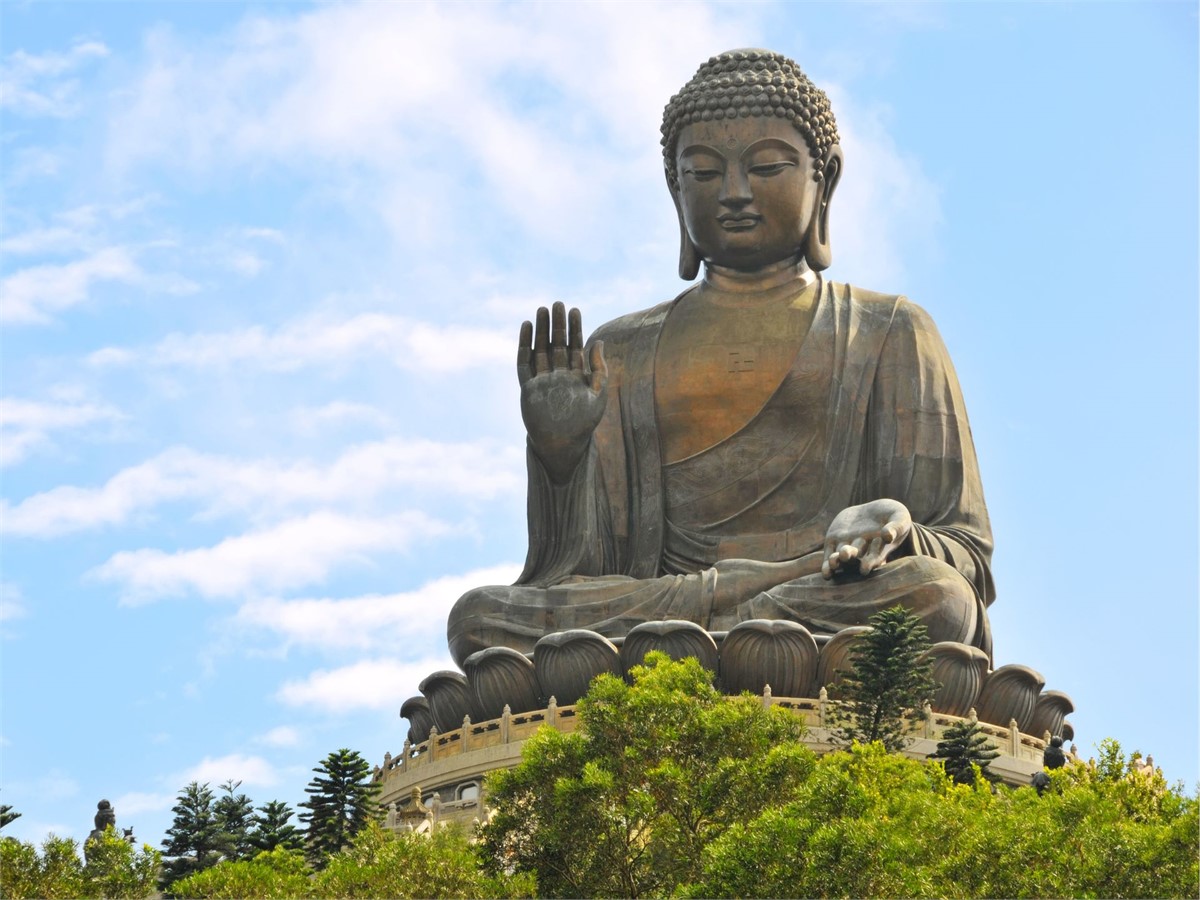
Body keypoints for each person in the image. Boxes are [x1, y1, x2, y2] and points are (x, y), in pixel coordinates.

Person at [448, 49, 993, 669]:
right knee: (478, 619)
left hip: (818, 592)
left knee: (935, 597)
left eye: (766, 167)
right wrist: (561, 458)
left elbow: (963, 555)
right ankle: (722, 641)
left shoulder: (890, 329)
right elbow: (572, 575)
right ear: (674, 188)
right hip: (663, 607)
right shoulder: (621, 349)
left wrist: (896, 526)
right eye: (704, 174)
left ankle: (702, 647)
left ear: (826, 181)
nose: (734, 193)